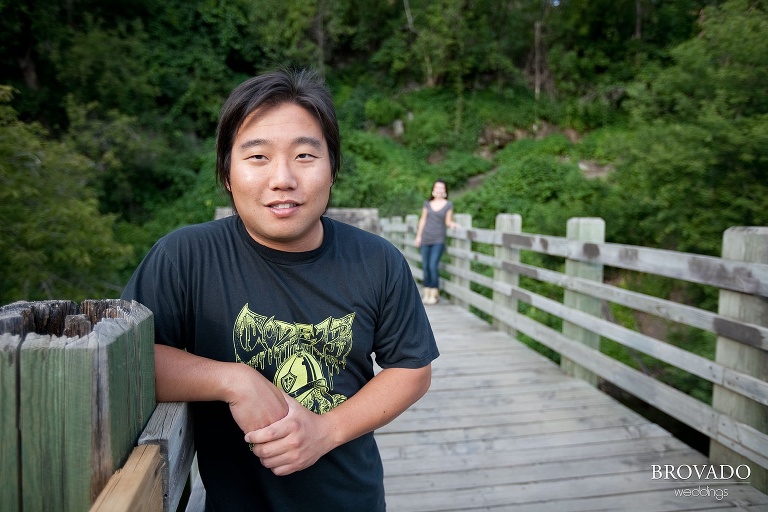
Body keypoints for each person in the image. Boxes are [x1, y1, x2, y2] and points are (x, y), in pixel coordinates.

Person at [121, 68, 438, 512]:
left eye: (305, 156)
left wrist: (324, 432)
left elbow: (412, 369)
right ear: (228, 173)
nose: (283, 178)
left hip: (352, 499)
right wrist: (234, 380)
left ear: (332, 169)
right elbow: (128, 358)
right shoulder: (185, 258)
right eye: (257, 157)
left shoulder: (377, 261)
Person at [414, 180, 457, 305]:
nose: (439, 190)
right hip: (425, 238)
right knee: (426, 266)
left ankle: (434, 293)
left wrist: (453, 225)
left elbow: (448, 221)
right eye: (437, 187)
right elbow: (422, 220)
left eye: (441, 188)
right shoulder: (427, 204)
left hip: (438, 239)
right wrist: (418, 236)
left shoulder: (448, 204)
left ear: (445, 191)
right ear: (433, 189)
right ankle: (426, 292)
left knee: (433, 266)